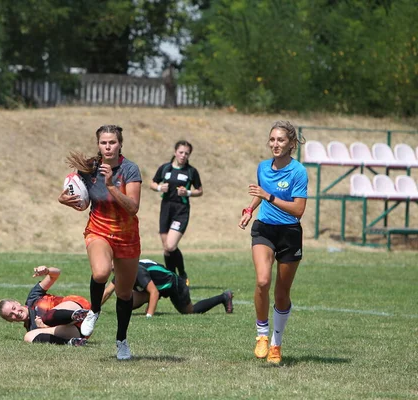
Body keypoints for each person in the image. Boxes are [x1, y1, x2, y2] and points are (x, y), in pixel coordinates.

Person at [58, 125, 142, 360]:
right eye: (104, 142)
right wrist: (64, 200)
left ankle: (122, 341)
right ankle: (94, 310)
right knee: (101, 273)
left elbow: (133, 208)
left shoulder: (130, 169)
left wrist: (111, 185)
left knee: (125, 294)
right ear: (98, 145)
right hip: (99, 230)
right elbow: (83, 203)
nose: (108, 146)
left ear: (120, 144)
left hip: (127, 237)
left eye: (112, 142)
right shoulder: (88, 168)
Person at [238, 121, 308, 365]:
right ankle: (261, 335)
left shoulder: (298, 172)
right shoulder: (262, 167)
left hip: (289, 233)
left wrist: (269, 196)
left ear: (291, 144)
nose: (275, 144)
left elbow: (298, 210)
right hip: (264, 230)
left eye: (280, 140)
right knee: (262, 280)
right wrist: (250, 209)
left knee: (281, 293)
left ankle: (276, 344)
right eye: (272, 140)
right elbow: (261, 194)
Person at [0, 266, 91, 346]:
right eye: (11, 315)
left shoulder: (32, 298)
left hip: (75, 306)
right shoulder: (32, 329)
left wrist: (47, 270)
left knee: (48, 317)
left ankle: (81, 314)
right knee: (28, 336)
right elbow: (56, 330)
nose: (16, 313)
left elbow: (56, 274)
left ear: (17, 303)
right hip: (79, 330)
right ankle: (72, 343)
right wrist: (43, 328)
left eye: (14, 308)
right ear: (10, 320)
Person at [101, 259, 233, 317]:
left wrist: (149, 316)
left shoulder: (137, 271)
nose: (112, 269)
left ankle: (224, 297)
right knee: (125, 300)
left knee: (190, 311)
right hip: (158, 286)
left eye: (113, 265)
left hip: (173, 284)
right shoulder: (122, 271)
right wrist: (93, 309)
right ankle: (149, 306)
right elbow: (107, 292)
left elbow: (154, 292)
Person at [150, 140, 202, 286]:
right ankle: (171, 278)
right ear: (175, 152)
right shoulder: (165, 168)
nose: (183, 155)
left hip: (181, 210)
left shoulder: (191, 171)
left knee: (171, 245)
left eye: (186, 153)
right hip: (166, 208)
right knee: (166, 248)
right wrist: (160, 188)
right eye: (181, 152)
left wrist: (188, 192)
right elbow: (152, 183)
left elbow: (200, 190)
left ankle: (182, 273)